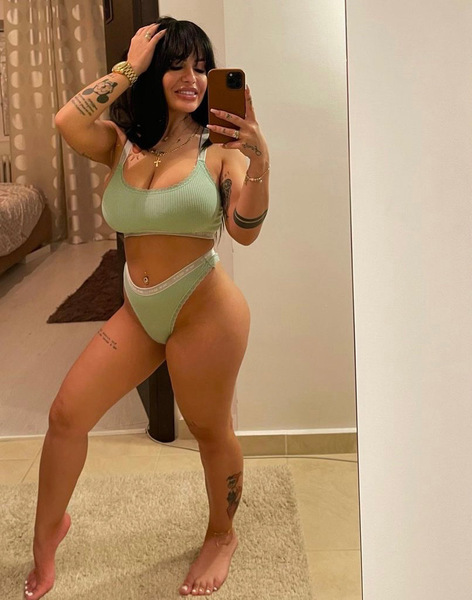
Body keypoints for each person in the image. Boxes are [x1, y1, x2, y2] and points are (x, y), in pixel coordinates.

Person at [23, 16, 270, 600]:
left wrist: (260, 161)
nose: (192, 78)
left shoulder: (220, 150)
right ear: (153, 71)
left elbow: (246, 230)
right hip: (139, 309)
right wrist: (127, 68)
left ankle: (222, 534)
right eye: (176, 65)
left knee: (209, 430)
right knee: (66, 416)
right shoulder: (122, 145)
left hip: (205, 311)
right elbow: (66, 121)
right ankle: (47, 533)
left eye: (201, 67)